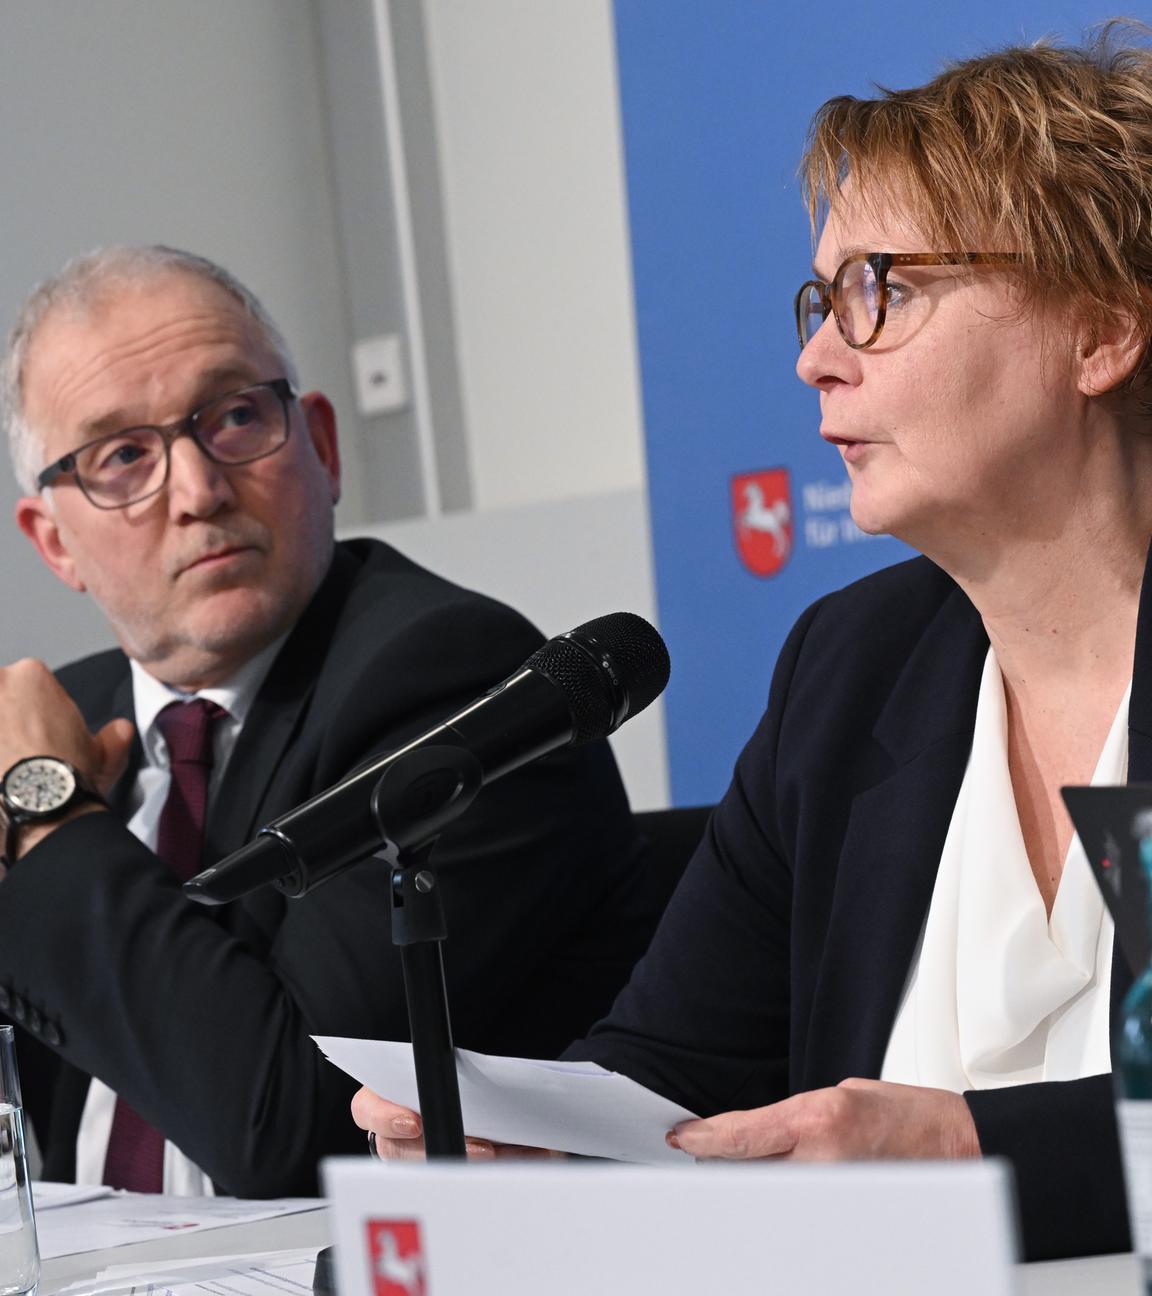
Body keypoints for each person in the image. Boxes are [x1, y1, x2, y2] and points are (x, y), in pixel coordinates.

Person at [352, 26, 1152, 1262]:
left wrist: (966, 1157)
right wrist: (539, 1141)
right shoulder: (855, 666)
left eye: (880, 289)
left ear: (1102, 331)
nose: (816, 359)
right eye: (820, 301)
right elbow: (676, 1063)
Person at [0, 245, 661, 1197]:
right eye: (123, 457)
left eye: (234, 417)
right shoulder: (70, 721)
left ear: (323, 445)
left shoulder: (447, 677)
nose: (197, 491)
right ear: (54, 541)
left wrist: (53, 824)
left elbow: (283, 1123)